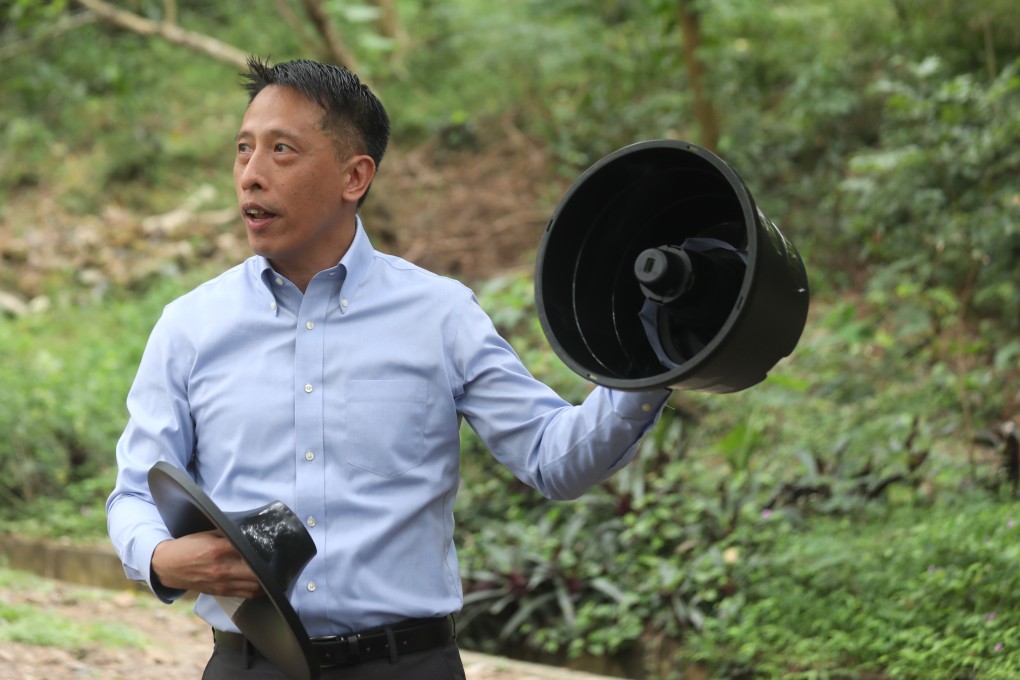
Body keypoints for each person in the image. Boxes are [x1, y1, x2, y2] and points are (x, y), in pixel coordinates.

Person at [106, 56, 670, 680]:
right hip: (249, 666)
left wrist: (656, 364)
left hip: (409, 665)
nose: (251, 175)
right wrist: (160, 557)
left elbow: (550, 457)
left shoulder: (440, 314)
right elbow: (134, 492)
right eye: (243, 149)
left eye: (282, 150)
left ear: (355, 176)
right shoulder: (189, 325)